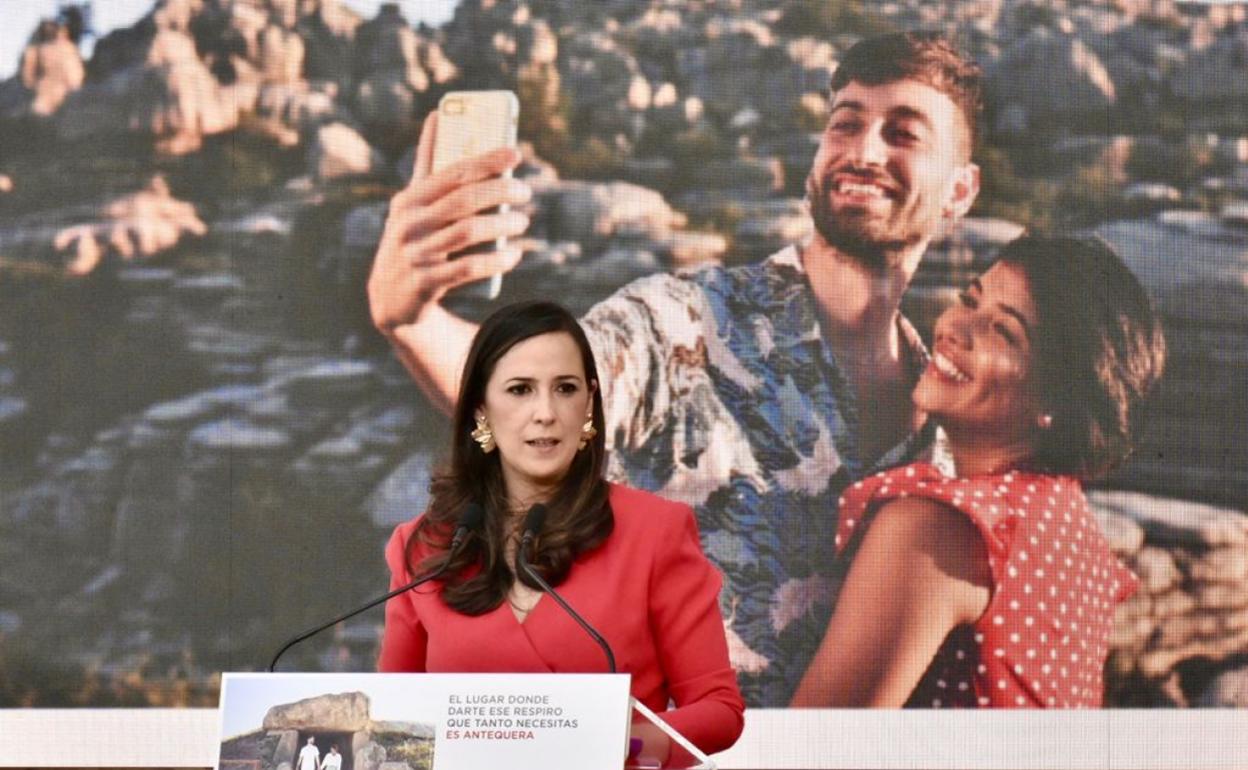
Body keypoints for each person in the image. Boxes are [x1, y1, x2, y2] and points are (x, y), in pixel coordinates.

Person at [368, 31, 983, 705]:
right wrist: (412, 318)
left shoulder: (945, 423)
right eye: (846, 124)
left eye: (903, 134)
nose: (864, 151)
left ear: (959, 191)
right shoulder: (684, 320)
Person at [789, 235, 1166, 708]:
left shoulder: (940, 531)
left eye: (1004, 332)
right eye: (969, 299)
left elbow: (814, 750)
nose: (956, 328)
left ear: (1057, 401)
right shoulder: (1066, 519)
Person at [378, 300, 745, 760]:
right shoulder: (424, 547)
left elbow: (717, 709)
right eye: (520, 390)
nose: (546, 412)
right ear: (480, 410)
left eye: (565, 388)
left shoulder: (655, 532)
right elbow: (394, 719)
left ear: (588, 405)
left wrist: (617, 748)